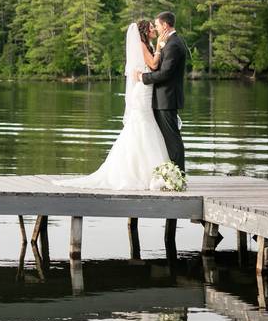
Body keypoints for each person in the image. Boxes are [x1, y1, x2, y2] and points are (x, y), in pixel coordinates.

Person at [54, 20, 171, 190]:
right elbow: (153, 65)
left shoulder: (148, 44)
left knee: (144, 126)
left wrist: (159, 47)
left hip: (147, 89)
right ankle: (138, 173)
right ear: (145, 31)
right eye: (151, 28)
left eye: (154, 27)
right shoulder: (141, 45)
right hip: (143, 91)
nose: (153, 29)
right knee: (141, 126)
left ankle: (148, 172)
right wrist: (160, 48)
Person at [136, 11, 187, 173]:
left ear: (165, 25)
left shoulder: (173, 44)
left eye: (157, 25)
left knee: (172, 139)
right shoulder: (171, 42)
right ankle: (172, 173)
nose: (156, 29)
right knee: (166, 139)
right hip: (162, 98)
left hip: (167, 98)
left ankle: (179, 175)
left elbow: (165, 73)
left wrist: (143, 77)